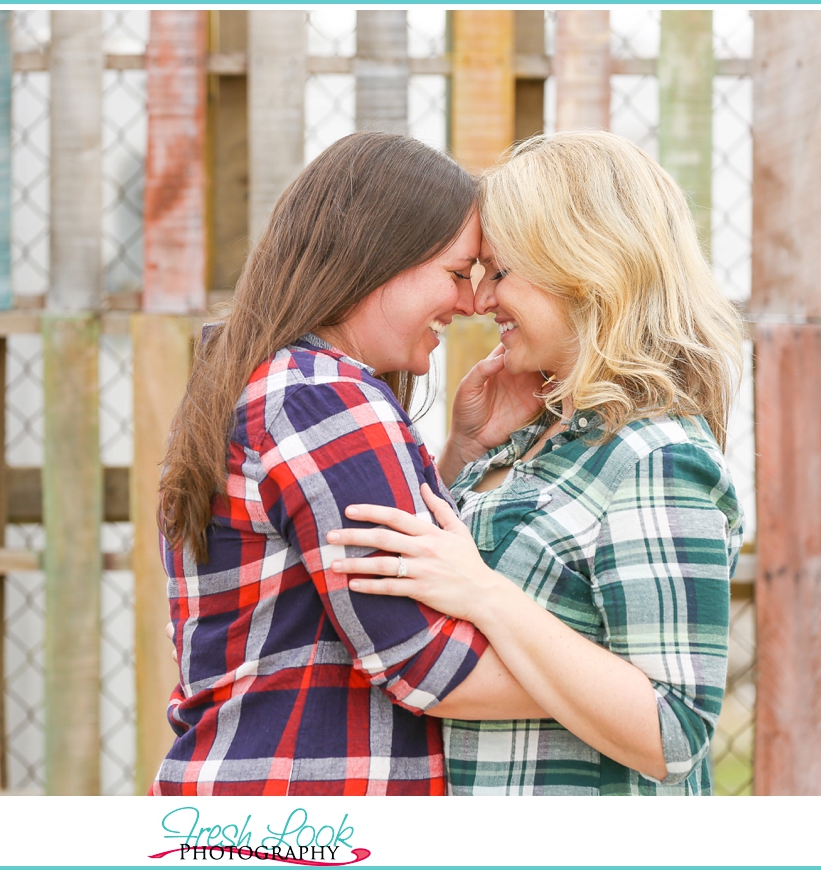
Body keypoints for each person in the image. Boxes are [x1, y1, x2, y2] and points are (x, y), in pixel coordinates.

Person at [326, 130, 745, 795]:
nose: (481, 299)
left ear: (583, 267)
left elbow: (674, 730)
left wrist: (485, 594)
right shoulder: (536, 437)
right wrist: (466, 453)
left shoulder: (655, 457)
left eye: (501, 271)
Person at [150, 132, 546, 796]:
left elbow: (329, 580)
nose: (473, 303)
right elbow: (425, 661)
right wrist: (632, 699)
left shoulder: (266, 379)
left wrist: (459, 455)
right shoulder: (321, 395)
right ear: (377, 259)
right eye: (457, 273)